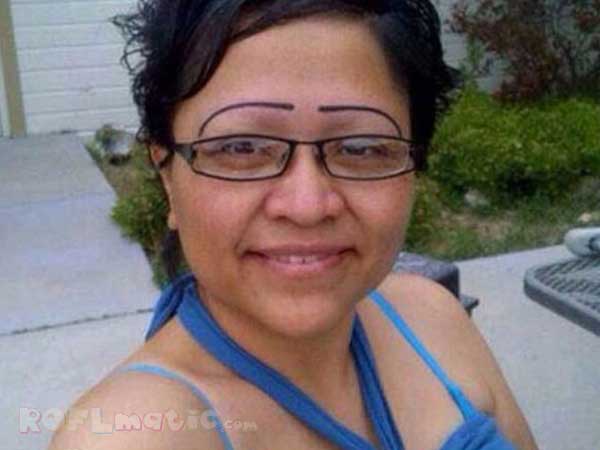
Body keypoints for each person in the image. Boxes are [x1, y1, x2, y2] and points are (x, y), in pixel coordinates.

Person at [49, 1, 539, 449]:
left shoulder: (433, 318)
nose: (307, 206)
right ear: (167, 177)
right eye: (241, 147)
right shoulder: (131, 437)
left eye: (361, 147)